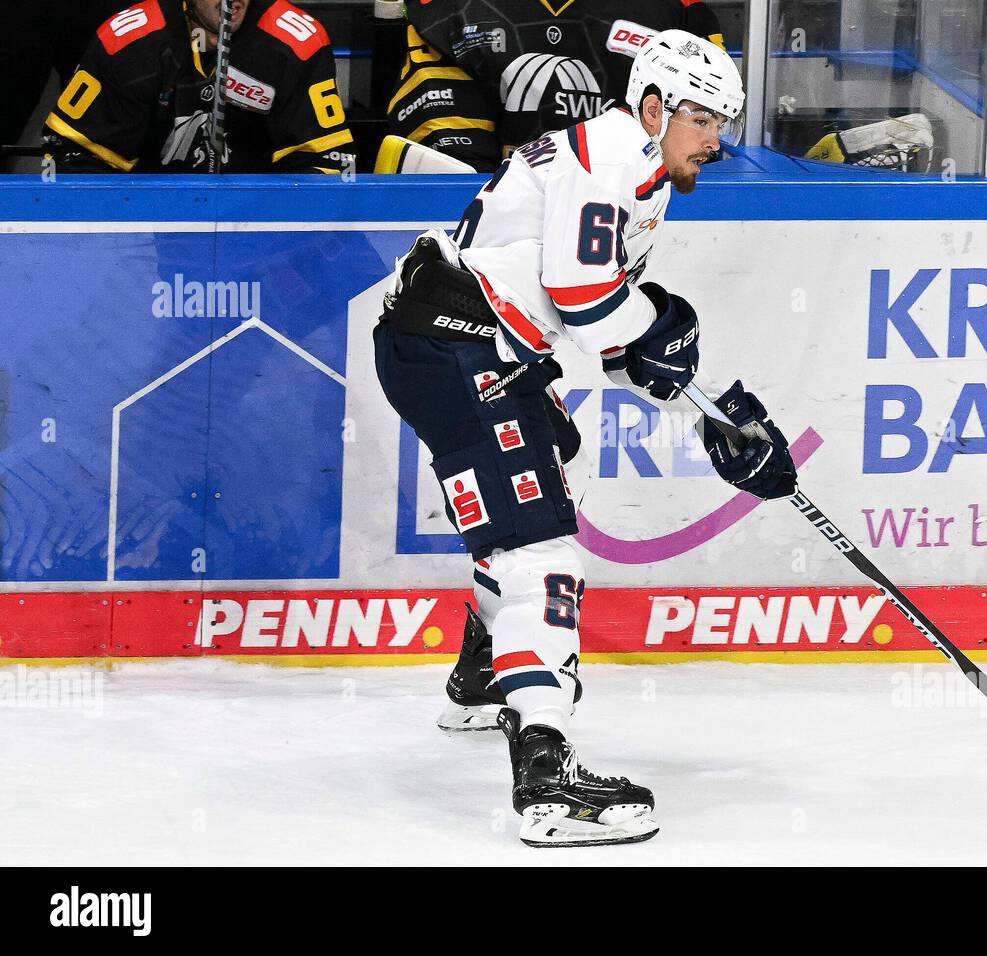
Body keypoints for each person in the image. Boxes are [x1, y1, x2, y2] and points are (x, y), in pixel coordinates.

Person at [373, 30, 798, 847]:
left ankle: (481, 679)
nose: (717, 141)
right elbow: (585, 297)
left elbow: (611, 337)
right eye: (704, 120)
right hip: (462, 344)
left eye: (724, 122)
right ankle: (546, 774)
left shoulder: (639, 170)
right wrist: (666, 336)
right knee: (542, 548)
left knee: (543, 476)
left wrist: (718, 416)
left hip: (469, 344)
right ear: (653, 106)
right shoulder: (608, 154)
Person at [386, 0, 726, 171]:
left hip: (637, 232)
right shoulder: (448, 10)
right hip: (494, 246)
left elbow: (694, 163)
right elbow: (450, 176)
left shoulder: (681, 15)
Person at [43, 0, 354, 173]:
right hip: (149, 232)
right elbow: (76, 160)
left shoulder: (297, 44)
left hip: (261, 237)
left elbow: (324, 166)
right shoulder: (128, 43)